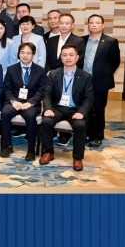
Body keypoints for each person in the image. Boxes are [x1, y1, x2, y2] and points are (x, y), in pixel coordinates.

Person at [40, 44, 94, 172]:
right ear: (61, 57)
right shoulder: (53, 74)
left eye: (71, 55)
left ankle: (77, 158)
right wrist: (48, 108)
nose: (68, 58)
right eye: (64, 55)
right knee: (46, 122)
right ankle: (48, 153)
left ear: (77, 57)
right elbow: (47, 94)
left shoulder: (85, 76)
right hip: (57, 108)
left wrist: (81, 112)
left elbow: (89, 98)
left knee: (80, 125)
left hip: (75, 109)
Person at [0, 42, 47, 161]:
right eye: (22, 52)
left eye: (28, 53)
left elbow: (41, 91)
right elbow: (7, 88)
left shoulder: (40, 71)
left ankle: (31, 149)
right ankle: (7, 145)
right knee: (5, 113)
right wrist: (13, 101)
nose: (25, 55)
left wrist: (30, 103)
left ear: (33, 55)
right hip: (14, 101)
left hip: (31, 103)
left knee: (30, 116)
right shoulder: (11, 69)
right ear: (19, 54)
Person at [82, 14, 121, 147]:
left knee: (98, 109)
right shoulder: (82, 40)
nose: (94, 25)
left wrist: (104, 74)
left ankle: (97, 135)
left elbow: (115, 61)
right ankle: (86, 133)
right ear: (88, 25)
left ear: (103, 25)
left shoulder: (110, 41)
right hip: (83, 81)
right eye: (91, 22)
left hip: (100, 81)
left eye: (97, 22)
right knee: (85, 108)